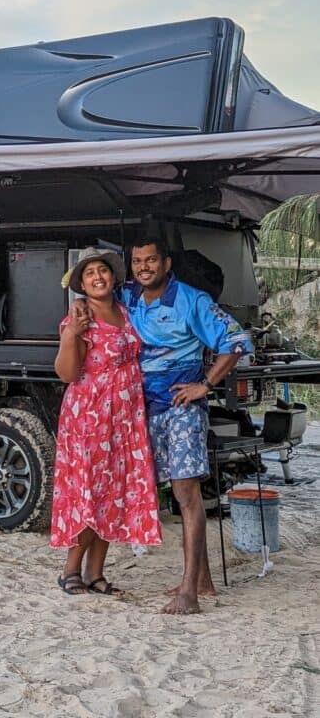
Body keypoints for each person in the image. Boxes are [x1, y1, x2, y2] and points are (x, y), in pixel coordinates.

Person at [123, 234, 253, 615]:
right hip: (147, 408)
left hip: (181, 409)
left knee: (186, 494)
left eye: (150, 260)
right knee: (176, 496)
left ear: (166, 264)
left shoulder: (191, 300)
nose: (144, 267)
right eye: (137, 261)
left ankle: (189, 595)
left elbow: (236, 341)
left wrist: (206, 385)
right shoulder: (130, 298)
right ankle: (203, 580)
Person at [51, 248, 162, 597]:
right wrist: (71, 335)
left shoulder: (128, 313)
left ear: (113, 277)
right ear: (82, 284)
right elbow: (68, 373)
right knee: (91, 492)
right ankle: (70, 569)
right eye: (89, 273)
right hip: (90, 418)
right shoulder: (78, 320)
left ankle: (95, 573)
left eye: (103, 271)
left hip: (125, 418)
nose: (98, 277)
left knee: (114, 494)